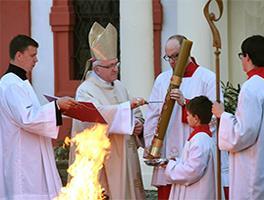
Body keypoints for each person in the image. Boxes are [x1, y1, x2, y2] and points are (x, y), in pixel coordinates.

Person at [144, 34, 229, 199]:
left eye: (176, 56)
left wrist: (186, 103)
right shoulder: (162, 80)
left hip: (195, 152)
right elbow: (153, 116)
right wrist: (151, 146)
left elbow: (213, 117)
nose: (172, 61)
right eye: (168, 57)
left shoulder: (208, 78)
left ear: (186, 51)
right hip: (168, 150)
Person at [69, 22, 146, 199]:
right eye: (110, 66)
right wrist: (128, 114)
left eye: (116, 64)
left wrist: (138, 125)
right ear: (97, 69)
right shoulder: (85, 90)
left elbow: (136, 115)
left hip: (126, 155)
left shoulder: (119, 86)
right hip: (105, 158)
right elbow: (94, 118)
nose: (115, 69)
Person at [0, 35, 78, 199]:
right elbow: (27, 118)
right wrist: (56, 106)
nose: (36, 60)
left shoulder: (19, 82)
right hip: (23, 155)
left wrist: (57, 109)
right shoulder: (11, 84)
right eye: (32, 55)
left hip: (30, 151)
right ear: (19, 55)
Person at [212, 35, 264, 200]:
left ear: (247, 57)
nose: (241, 60)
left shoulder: (250, 87)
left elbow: (243, 133)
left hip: (252, 166)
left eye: (241, 56)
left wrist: (222, 115)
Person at [165, 95, 216, 200]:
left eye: (188, 115)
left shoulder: (200, 140)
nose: (187, 117)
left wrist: (171, 167)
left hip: (197, 192)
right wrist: (177, 161)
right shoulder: (203, 137)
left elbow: (192, 171)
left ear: (196, 118)